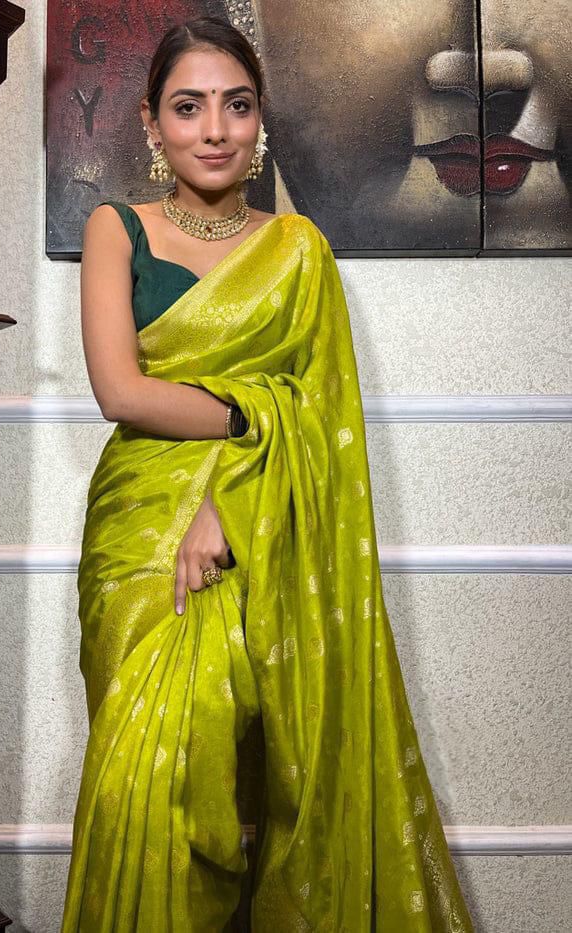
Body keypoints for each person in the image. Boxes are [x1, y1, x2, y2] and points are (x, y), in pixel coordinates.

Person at [60, 15, 474, 933]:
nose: (215, 129)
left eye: (236, 105)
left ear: (261, 118)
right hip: (139, 538)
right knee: (149, 783)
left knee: (275, 781)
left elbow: (322, 420)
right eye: (188, 107)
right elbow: (122, 391)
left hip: (266, 532)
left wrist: (232, 499)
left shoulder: (297, 251)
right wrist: (252, 415)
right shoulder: (116, 228)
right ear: (151, 123)